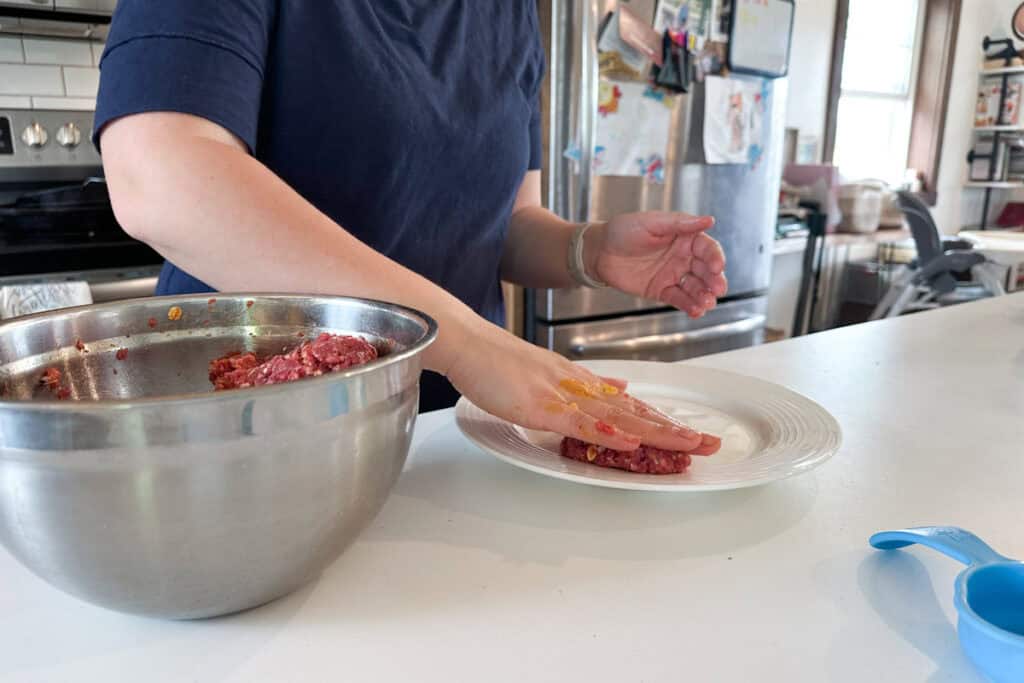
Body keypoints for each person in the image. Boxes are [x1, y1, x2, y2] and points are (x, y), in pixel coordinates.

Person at [95, 1, 728, 455]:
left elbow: (503, 223)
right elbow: (160, 174)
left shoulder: (510, 16)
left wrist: (587, 250)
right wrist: (470, 345)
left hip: (445, 441)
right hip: (251, 437)